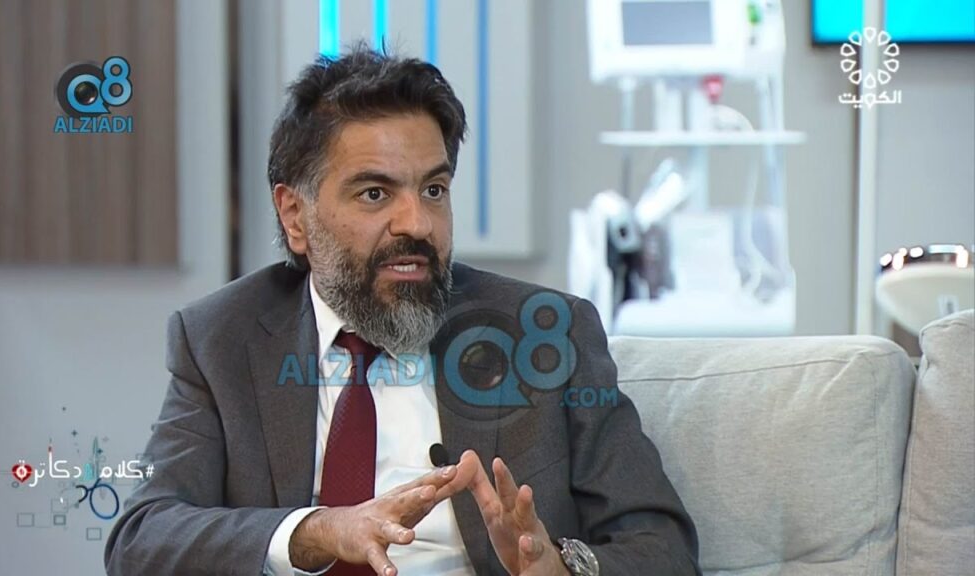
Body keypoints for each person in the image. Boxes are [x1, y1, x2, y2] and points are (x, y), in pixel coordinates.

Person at [104, 46, 699, 576]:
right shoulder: (221, 338)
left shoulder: (546, 333)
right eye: (375, 193)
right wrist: (318, 532)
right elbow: (142, 539)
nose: (417, 223)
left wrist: (563, 569)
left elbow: (664, 549)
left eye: (434, 190)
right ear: (294, 216)